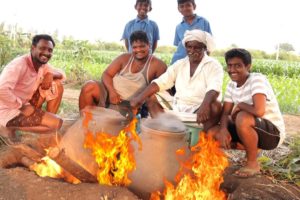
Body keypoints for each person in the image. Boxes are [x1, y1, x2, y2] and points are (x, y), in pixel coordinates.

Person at [208, 48, 286, 178]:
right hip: (251, 128)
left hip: (272, 134)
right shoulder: (231, 85)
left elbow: (259, 111)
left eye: (238, 66)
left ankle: (252, 163)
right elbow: (226, 113)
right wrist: (223, 130)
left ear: (248, 66)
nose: (232, 70)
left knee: (242, 117)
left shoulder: (256, 80)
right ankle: (222, 159)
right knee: (212, 132)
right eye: (230, 66)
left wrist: (241, 105)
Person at [130, 29, 223, 132]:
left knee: (216, 106)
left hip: (200, 108)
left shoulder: (213, 65)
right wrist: (139, 98)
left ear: (204, 48)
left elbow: (214, 87)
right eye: (189, 47)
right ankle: (167, 130)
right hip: (178, 105)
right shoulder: (180, 64)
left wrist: (205, 105)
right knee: (151, 97)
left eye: (196, 47)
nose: (191, 51)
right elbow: (161, 82)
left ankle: (200, 135)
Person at [79, 30, 167, 117]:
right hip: (109, 95)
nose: (138, 50)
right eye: (135, 47)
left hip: (129, 104)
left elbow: (163, 88)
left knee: (114, 124)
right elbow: (106, 74)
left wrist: (141, 100)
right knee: (89, 86)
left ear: (149, 45)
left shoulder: (158, 65)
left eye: (142, 46)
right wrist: (112, 92)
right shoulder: (124, 58)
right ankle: (84, 122)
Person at [0, 34, 65, 144]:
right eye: (42, 48)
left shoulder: (41, 65)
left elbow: (62, 75)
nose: (46, 53)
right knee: (56, 124)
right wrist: (21, 106)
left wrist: (50, 74)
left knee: (57, 85)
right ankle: (6, 126)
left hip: (26, 103)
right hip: (9, 109)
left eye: (50, 50)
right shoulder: (19, 64)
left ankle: (43, 120)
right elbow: (1, 89)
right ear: (33, 48)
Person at [171, 0, 212, 65]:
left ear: (194, 6)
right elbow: (178, 45)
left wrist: (204, 61)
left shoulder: (204, 22)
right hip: (179, 61)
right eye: (181, 6)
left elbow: (209, 44)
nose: (185, 8)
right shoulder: (178, 27)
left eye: (188, 5)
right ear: (178, 9)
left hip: (197, 61)